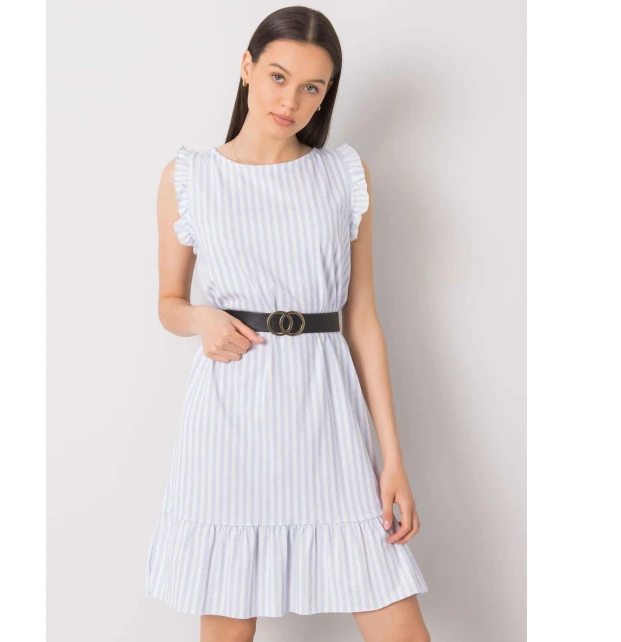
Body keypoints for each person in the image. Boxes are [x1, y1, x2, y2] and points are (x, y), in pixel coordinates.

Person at [145, 6, 431, 642]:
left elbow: (362, 320)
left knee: (400, 625)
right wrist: (199, 319)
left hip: (327, 413)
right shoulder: (189, 176)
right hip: (230, 415)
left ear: (326, 94)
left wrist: (391, 459)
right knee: (228, 625)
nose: (290, 101)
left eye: (311, 87)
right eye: (278, 76)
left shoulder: (343, 175)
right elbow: (168, 301)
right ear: (247, 68)